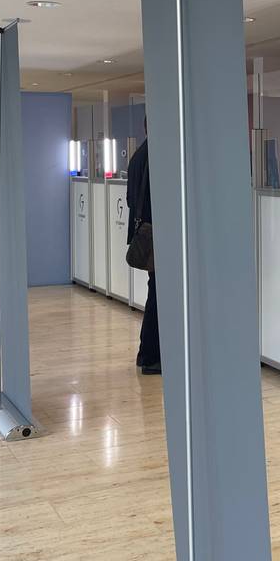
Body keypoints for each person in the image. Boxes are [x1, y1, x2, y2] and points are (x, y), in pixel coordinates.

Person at [126, 122, 160, 374]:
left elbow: (131, 199)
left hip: (146, 234)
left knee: (155, 293)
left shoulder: (138, 156)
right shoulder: (157, 155)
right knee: (158, 297)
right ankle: (149, 357)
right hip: (158, 236)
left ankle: (146, 353)